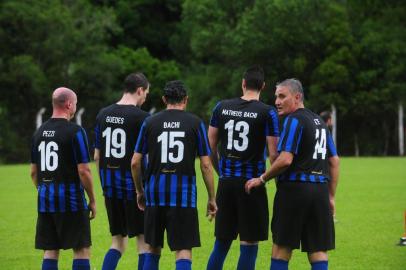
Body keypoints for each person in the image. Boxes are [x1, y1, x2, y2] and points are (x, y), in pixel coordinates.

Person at [245, 79, 340, 270]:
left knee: (281, 249)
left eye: (282, 96)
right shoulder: (320, 122)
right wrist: (331, 196)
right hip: (320, 191)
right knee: (318, 250)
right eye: (276, 97)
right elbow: (334, 161)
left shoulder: (293, 120)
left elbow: (285, 159)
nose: (277, 101)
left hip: (295, 191)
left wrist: (262, 178)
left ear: (297, 97)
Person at [131, 80, 217, 270]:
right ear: (185, 100)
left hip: (154, 196)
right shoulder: (195, 123)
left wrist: (140, 191)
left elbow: (135, 162)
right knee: (183, 250)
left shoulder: (149, 122)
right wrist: (211, 197)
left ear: (164, 99)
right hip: (183, 197)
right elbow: (205, 165)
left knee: (152, 249)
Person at [206, 66, 280, 270]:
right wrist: (273, 177)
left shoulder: (221, 107)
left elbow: (210, 144)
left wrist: (220, 171)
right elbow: (273, 154)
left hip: (226, 182)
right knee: (249, 243)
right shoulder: (267, 112)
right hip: (252, 184)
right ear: (263, 86)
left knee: (221, 242)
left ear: (243, 83)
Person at [30, 87, 96, 270]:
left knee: (50, 250)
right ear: (69, 104)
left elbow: (33, 172)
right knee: (81, 249)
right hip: (71, 200)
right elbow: (84, 171)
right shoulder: (75, 131)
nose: (75, 107)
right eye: (75, 104)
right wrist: (92, 199)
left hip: (45, 200)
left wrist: (43, 190)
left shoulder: (38, 133)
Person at [94, 73, 150, 270]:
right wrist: (141, 189)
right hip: (133, 189)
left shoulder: (103, 114)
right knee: (144, 244)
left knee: (118, 242)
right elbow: (142, 159)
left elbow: (97, 156)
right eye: (146, 93)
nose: (145, 98)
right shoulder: (143, 117)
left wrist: (104, 185)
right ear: (140, 90)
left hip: (110, 188)